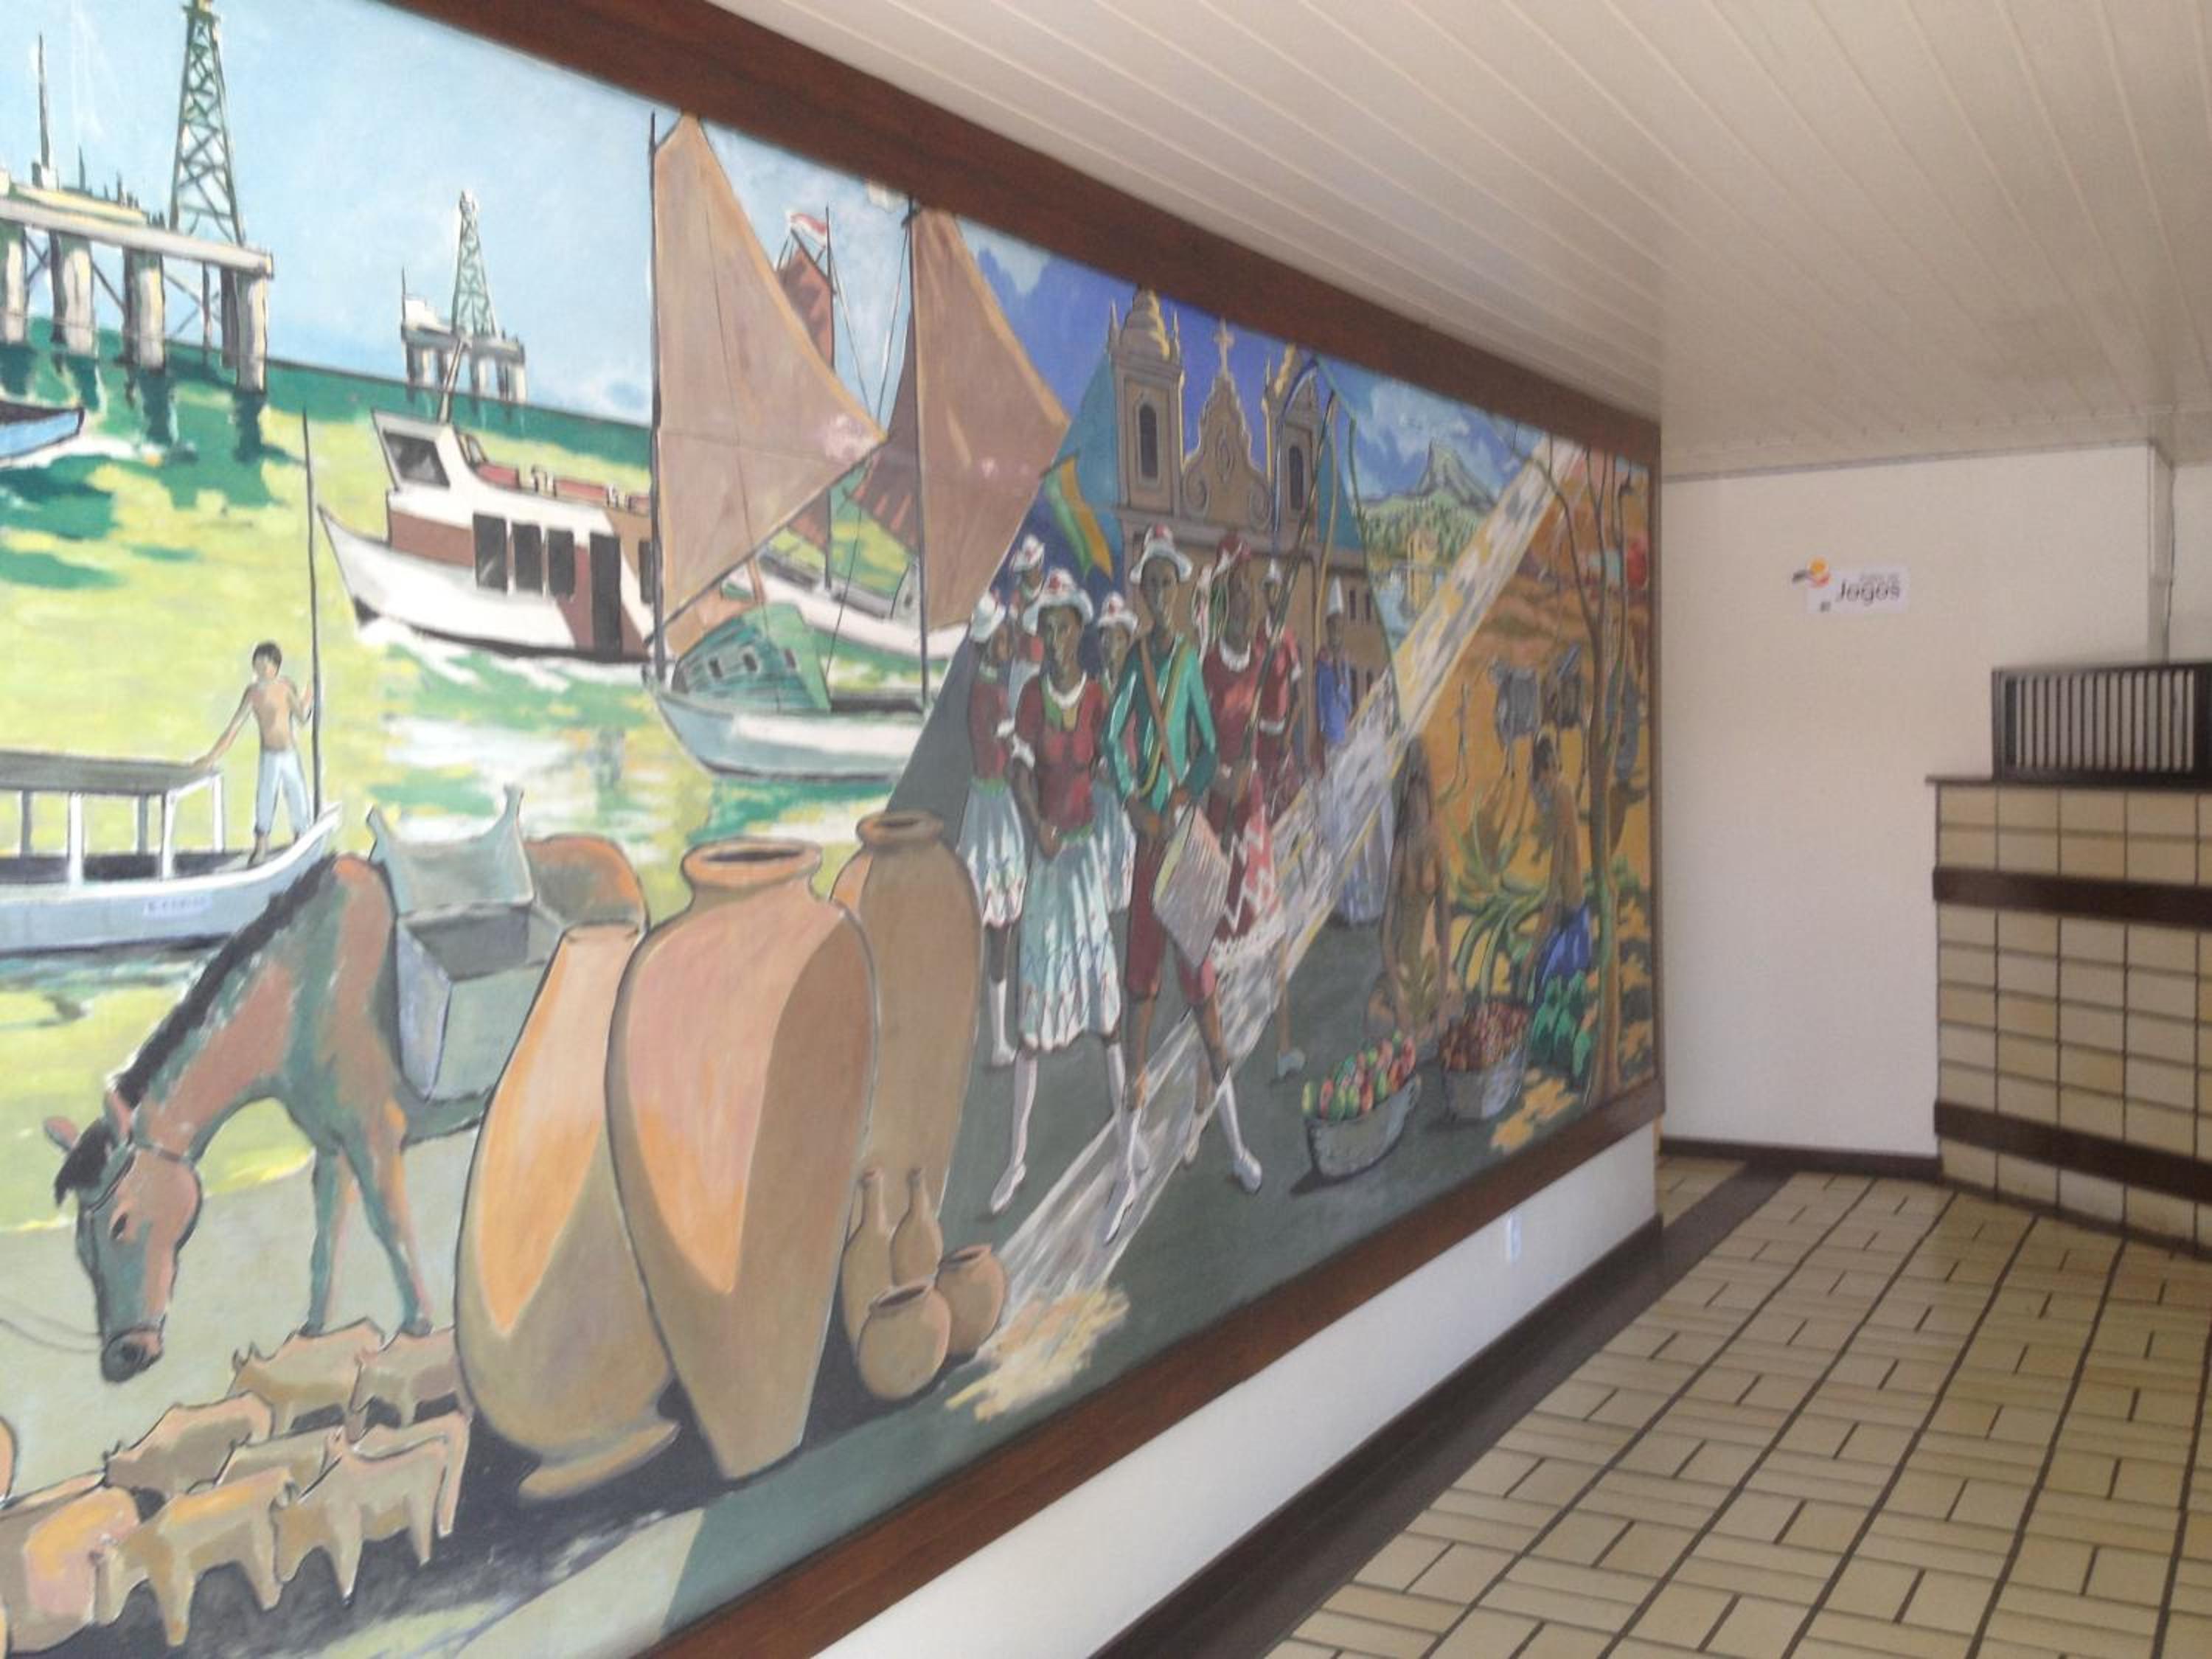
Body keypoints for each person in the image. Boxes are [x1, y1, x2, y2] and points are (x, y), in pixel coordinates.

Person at [1105, 527, 1258, 1241]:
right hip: (1148, 848)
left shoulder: (1191, 662)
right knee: (1140, 997)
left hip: (1182, 843)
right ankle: (1126, 1177)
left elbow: (1204, 747)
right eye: (1153, 585)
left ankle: (1237, 1146)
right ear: (1143, 594)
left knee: (1204, 1000)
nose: (1161, 595)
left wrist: (1188, 794)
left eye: (1169, 584)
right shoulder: (1136, 663)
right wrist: (1134, 799)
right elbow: (1112, 739)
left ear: (1179, 589)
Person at [990, 570, 1128, 1218]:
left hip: (1085, 861)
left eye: (1063, 627)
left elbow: (1113, 765)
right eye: (1045, 629)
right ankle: (1015, 1159)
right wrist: (1035, 821)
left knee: (1108, 1015)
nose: (1054, 638)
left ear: (1079, 630)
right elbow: (1019, 771)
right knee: (1032, 1021)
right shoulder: (1029, 698)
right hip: (1048, 864)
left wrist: (1118, 778)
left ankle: (1127, 1144)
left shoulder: (1098, 697)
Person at [1200, 538, 1301, 1091]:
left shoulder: (1261, 661)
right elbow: (1196, 749)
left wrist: (1255, 765)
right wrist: (1220, 777)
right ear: (1223, 604)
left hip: (1254, 806)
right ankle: (1209, 1077)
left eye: (1248, 594)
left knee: (1273, 927)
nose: (1245, 603)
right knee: (1214, 948)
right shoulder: (1208, 668)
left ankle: (1283, 1045)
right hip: (1221, 815)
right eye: (1236, 595)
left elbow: (1265, 729)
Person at [958, 594, 1026, 1067]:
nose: (1010, 645)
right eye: (1002, 641)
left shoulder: (982, 691)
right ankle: (997, 1038)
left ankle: (984, 1032)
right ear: (985, 648)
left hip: (981, 807)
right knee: (999, 928)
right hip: (996, 811)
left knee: (986, 924)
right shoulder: (995, 697)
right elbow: (1009, 753)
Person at [1367, 742, 1461, 1048]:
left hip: (1431, 962)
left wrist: (1444, 995)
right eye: (1414, 802)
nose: (1420, 810)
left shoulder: (1436, 845)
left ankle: (1420, 1034)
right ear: (1408, 803)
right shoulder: (1401, 849)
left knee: (1458, 1003)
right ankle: (1418, 1033)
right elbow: (1385, 935)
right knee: (1374, 1016)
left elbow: (1445, 925)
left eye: (1424, 801)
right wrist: (1398, 1000)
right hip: (1404, 966)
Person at [200, 640, 314, 866]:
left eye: (266, 664)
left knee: (297, 796)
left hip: (289, 754)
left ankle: (302, 839)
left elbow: (302, 717)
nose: (261, 668)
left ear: (276, 666)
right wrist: (211, 757)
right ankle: (261, 846)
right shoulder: (252, 693)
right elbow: (234, 728)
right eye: (258, 663)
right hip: (269, 755)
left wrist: (309, 695)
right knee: (265, 799)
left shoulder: (285, 687)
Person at [1529, 733, 1591, 999]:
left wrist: (1532, 953)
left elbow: (1553, 892)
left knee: (1543, 981)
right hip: (1571, 914)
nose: (1547, 782)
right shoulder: (1563, 791)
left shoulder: (1561, 794)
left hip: (1574, 920)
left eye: (1547, 775)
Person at [1091, 593, 1140, 913]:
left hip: (1130, 789)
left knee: (1129, 870)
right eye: (1106, 639)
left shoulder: (1137, 688)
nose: (1112, 647)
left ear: (1128, 642)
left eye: (1118, 639)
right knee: (1102, 867)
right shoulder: (1094, 689)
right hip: (1101, 790)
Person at [1005, 533, 1048, 708]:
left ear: (1039, 565)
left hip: (1040, 665)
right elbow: (1013, 628)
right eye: (1026, 569)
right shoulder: (1017, 595)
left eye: (1031, 568)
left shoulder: (1049, 595)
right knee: (1014, 704)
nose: (1029, 573)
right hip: (1019, 662)